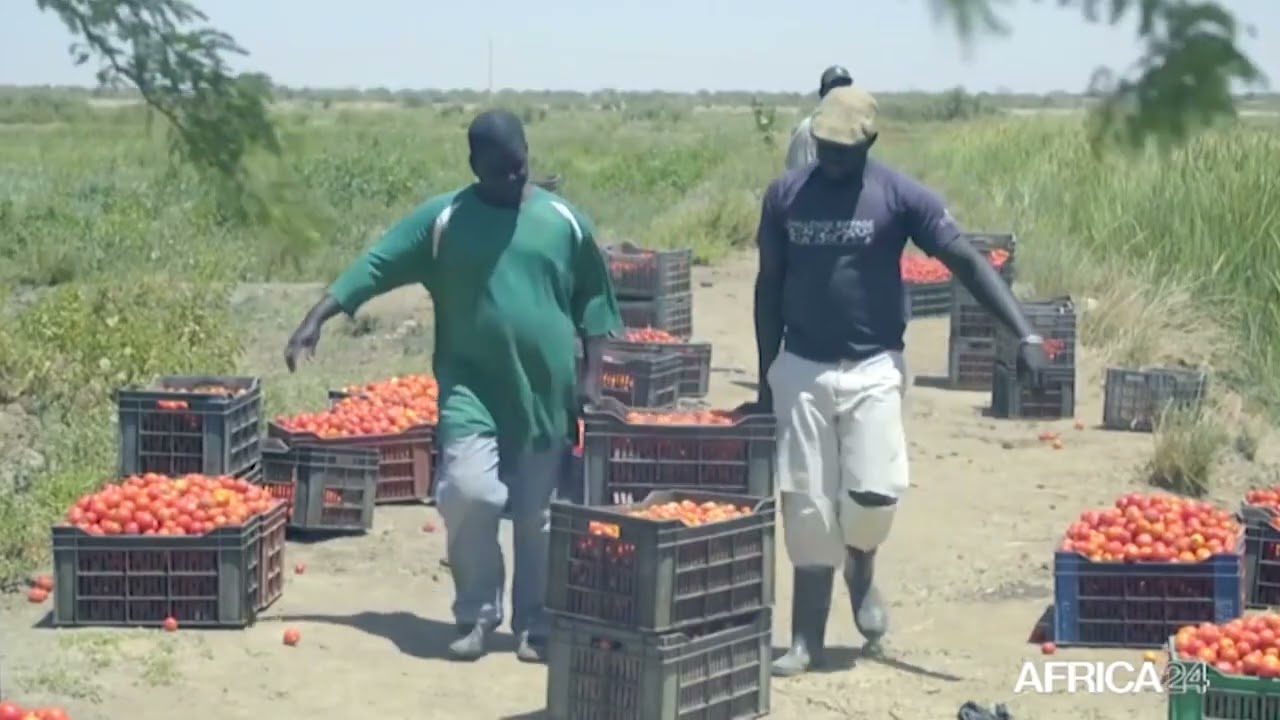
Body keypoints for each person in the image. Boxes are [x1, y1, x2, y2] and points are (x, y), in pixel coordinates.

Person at [282, 109, 622, 664]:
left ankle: (535, 623)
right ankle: (476, 612)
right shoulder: (444, 220)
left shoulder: (563, 219)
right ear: (473, 167)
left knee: (539, 516)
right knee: (470, 492)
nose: (512, 180)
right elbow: (377, 264)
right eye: (498, 172)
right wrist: (317, 316)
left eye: (519, 168)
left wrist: (591, 378)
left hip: (545, 392)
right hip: (471, 389)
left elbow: (595, 300)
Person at [751, 86, 1050, 676]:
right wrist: (766, 375)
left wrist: (1025, 334)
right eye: (823, 147)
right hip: (803, 367)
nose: (831, 159)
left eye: (843, 151)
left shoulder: (897, 195)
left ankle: (862, 571)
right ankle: (806, 639)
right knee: (808, 509)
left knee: (873, 493)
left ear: (869, 142)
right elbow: (768, 286)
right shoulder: (786, 195)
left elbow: (963, 259)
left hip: (873, 368)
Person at [785, 65, 853, 171]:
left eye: (844, 89)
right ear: (822, 94)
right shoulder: (809, 129)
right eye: (834, 88)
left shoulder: (854, 128)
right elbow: (800, 176)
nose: (840, 94)